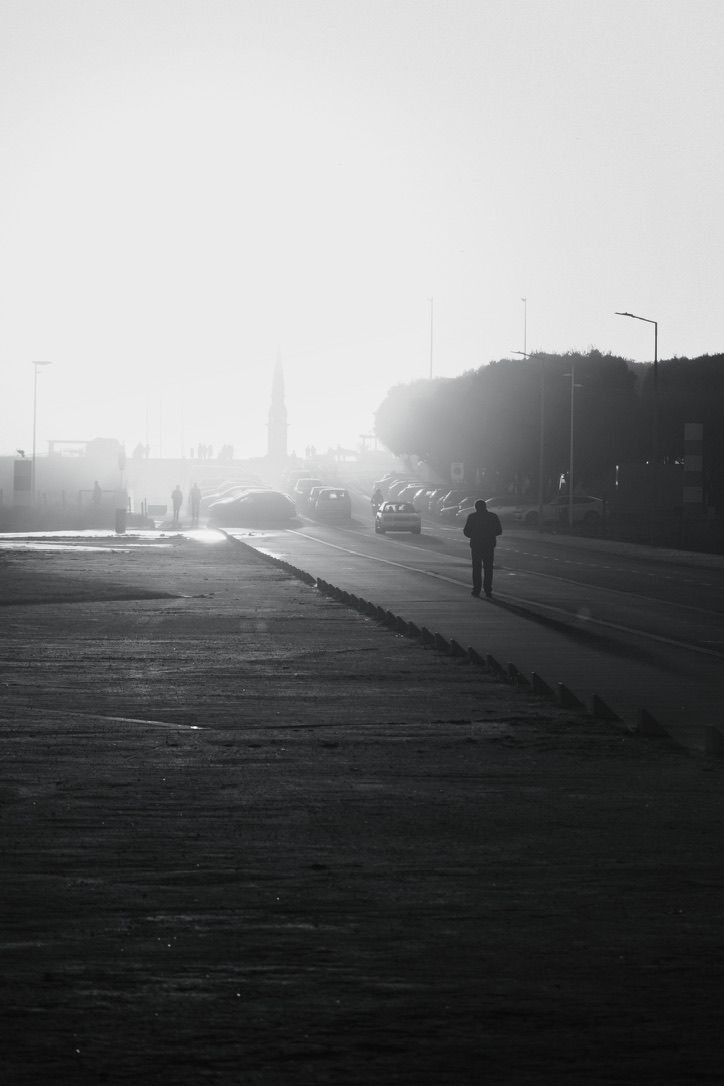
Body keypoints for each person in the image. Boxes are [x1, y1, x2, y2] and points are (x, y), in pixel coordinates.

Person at [463, 499, 502, 599]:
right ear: (485, 506)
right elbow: (499, 530)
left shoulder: (472, 517)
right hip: (489, 544)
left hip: (476, 545)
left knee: (476, 568)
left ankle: (476, 589)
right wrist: (490, 535)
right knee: (488, 568)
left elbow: (466, 531)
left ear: (476, 507)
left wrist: (474, 535)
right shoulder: (493, 516)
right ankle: (488, 589)